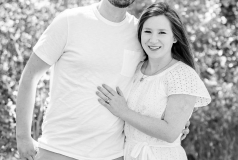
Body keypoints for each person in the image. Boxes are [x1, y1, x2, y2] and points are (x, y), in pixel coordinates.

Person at [16, 1, 190, 160]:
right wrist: (23, 137)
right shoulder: (70, 21)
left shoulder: (142, 35)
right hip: (58, 150)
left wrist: (176, 117)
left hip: (113, 154)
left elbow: (154, 81)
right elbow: (30, 77)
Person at [96, 2, 211, 160]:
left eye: (162, 33)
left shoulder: (183, 75)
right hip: (127, 153)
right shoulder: (136, 69)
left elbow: (170, 133)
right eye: (148, 31)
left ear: (175, 37)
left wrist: (124, 112)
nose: (153, 39)